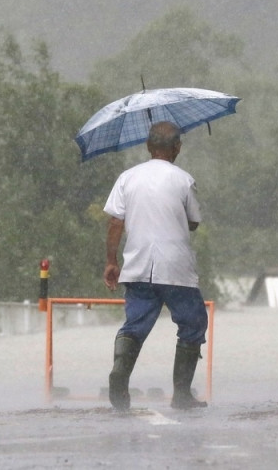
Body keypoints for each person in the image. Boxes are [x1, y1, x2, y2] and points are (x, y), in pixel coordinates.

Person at [103, 121, 208, 411]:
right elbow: (193, 222)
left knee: (135, 324)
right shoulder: (183, 180)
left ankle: (120, 375)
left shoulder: (127, 178)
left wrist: (111, 261)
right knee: (193, 323)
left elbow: (115, 222)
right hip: (175, 268)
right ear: (177, 147)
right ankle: (182, 394)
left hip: (137, 266)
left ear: (148, 146)